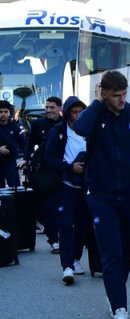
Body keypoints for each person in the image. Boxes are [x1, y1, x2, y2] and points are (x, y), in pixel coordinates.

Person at [73, 71, 130, 319]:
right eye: (116, 95)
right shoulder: (95, 115)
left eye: (124, 94)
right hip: (102, 196)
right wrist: (97, 104)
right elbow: (80, 128)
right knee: (111, 254)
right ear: (104, 94)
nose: (122, 100)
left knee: (127, 252)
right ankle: (120, 310)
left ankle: (115, 290)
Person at [43, 96, 88, 285]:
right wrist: (70, 167)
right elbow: (49, 158)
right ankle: (67, 266)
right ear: (68, 113)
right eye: (74, 112)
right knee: (66, 225)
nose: (77, 116)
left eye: (80, 112)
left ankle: (76, 258)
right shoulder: (58, 131)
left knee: (82, 225)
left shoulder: (89, 131)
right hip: (65, 186)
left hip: (85, 186)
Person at [25, 96, 63, 252]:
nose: (48, 110)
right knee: (48, 206)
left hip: (63, 170)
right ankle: (54, 240)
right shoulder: (38, 124)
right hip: (45, 173)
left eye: (52, 107)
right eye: (47, 107)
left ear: (60, 108)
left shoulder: (66, 124)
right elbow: (30, 144)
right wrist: (26, 160)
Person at [0, 100, 26, 188]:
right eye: (0, 112)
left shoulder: (14, 127)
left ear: (9, 112)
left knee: (15, 188)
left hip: (11, 162)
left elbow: (24, 144)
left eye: (5, 112)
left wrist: (26, 158)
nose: (3, 114)